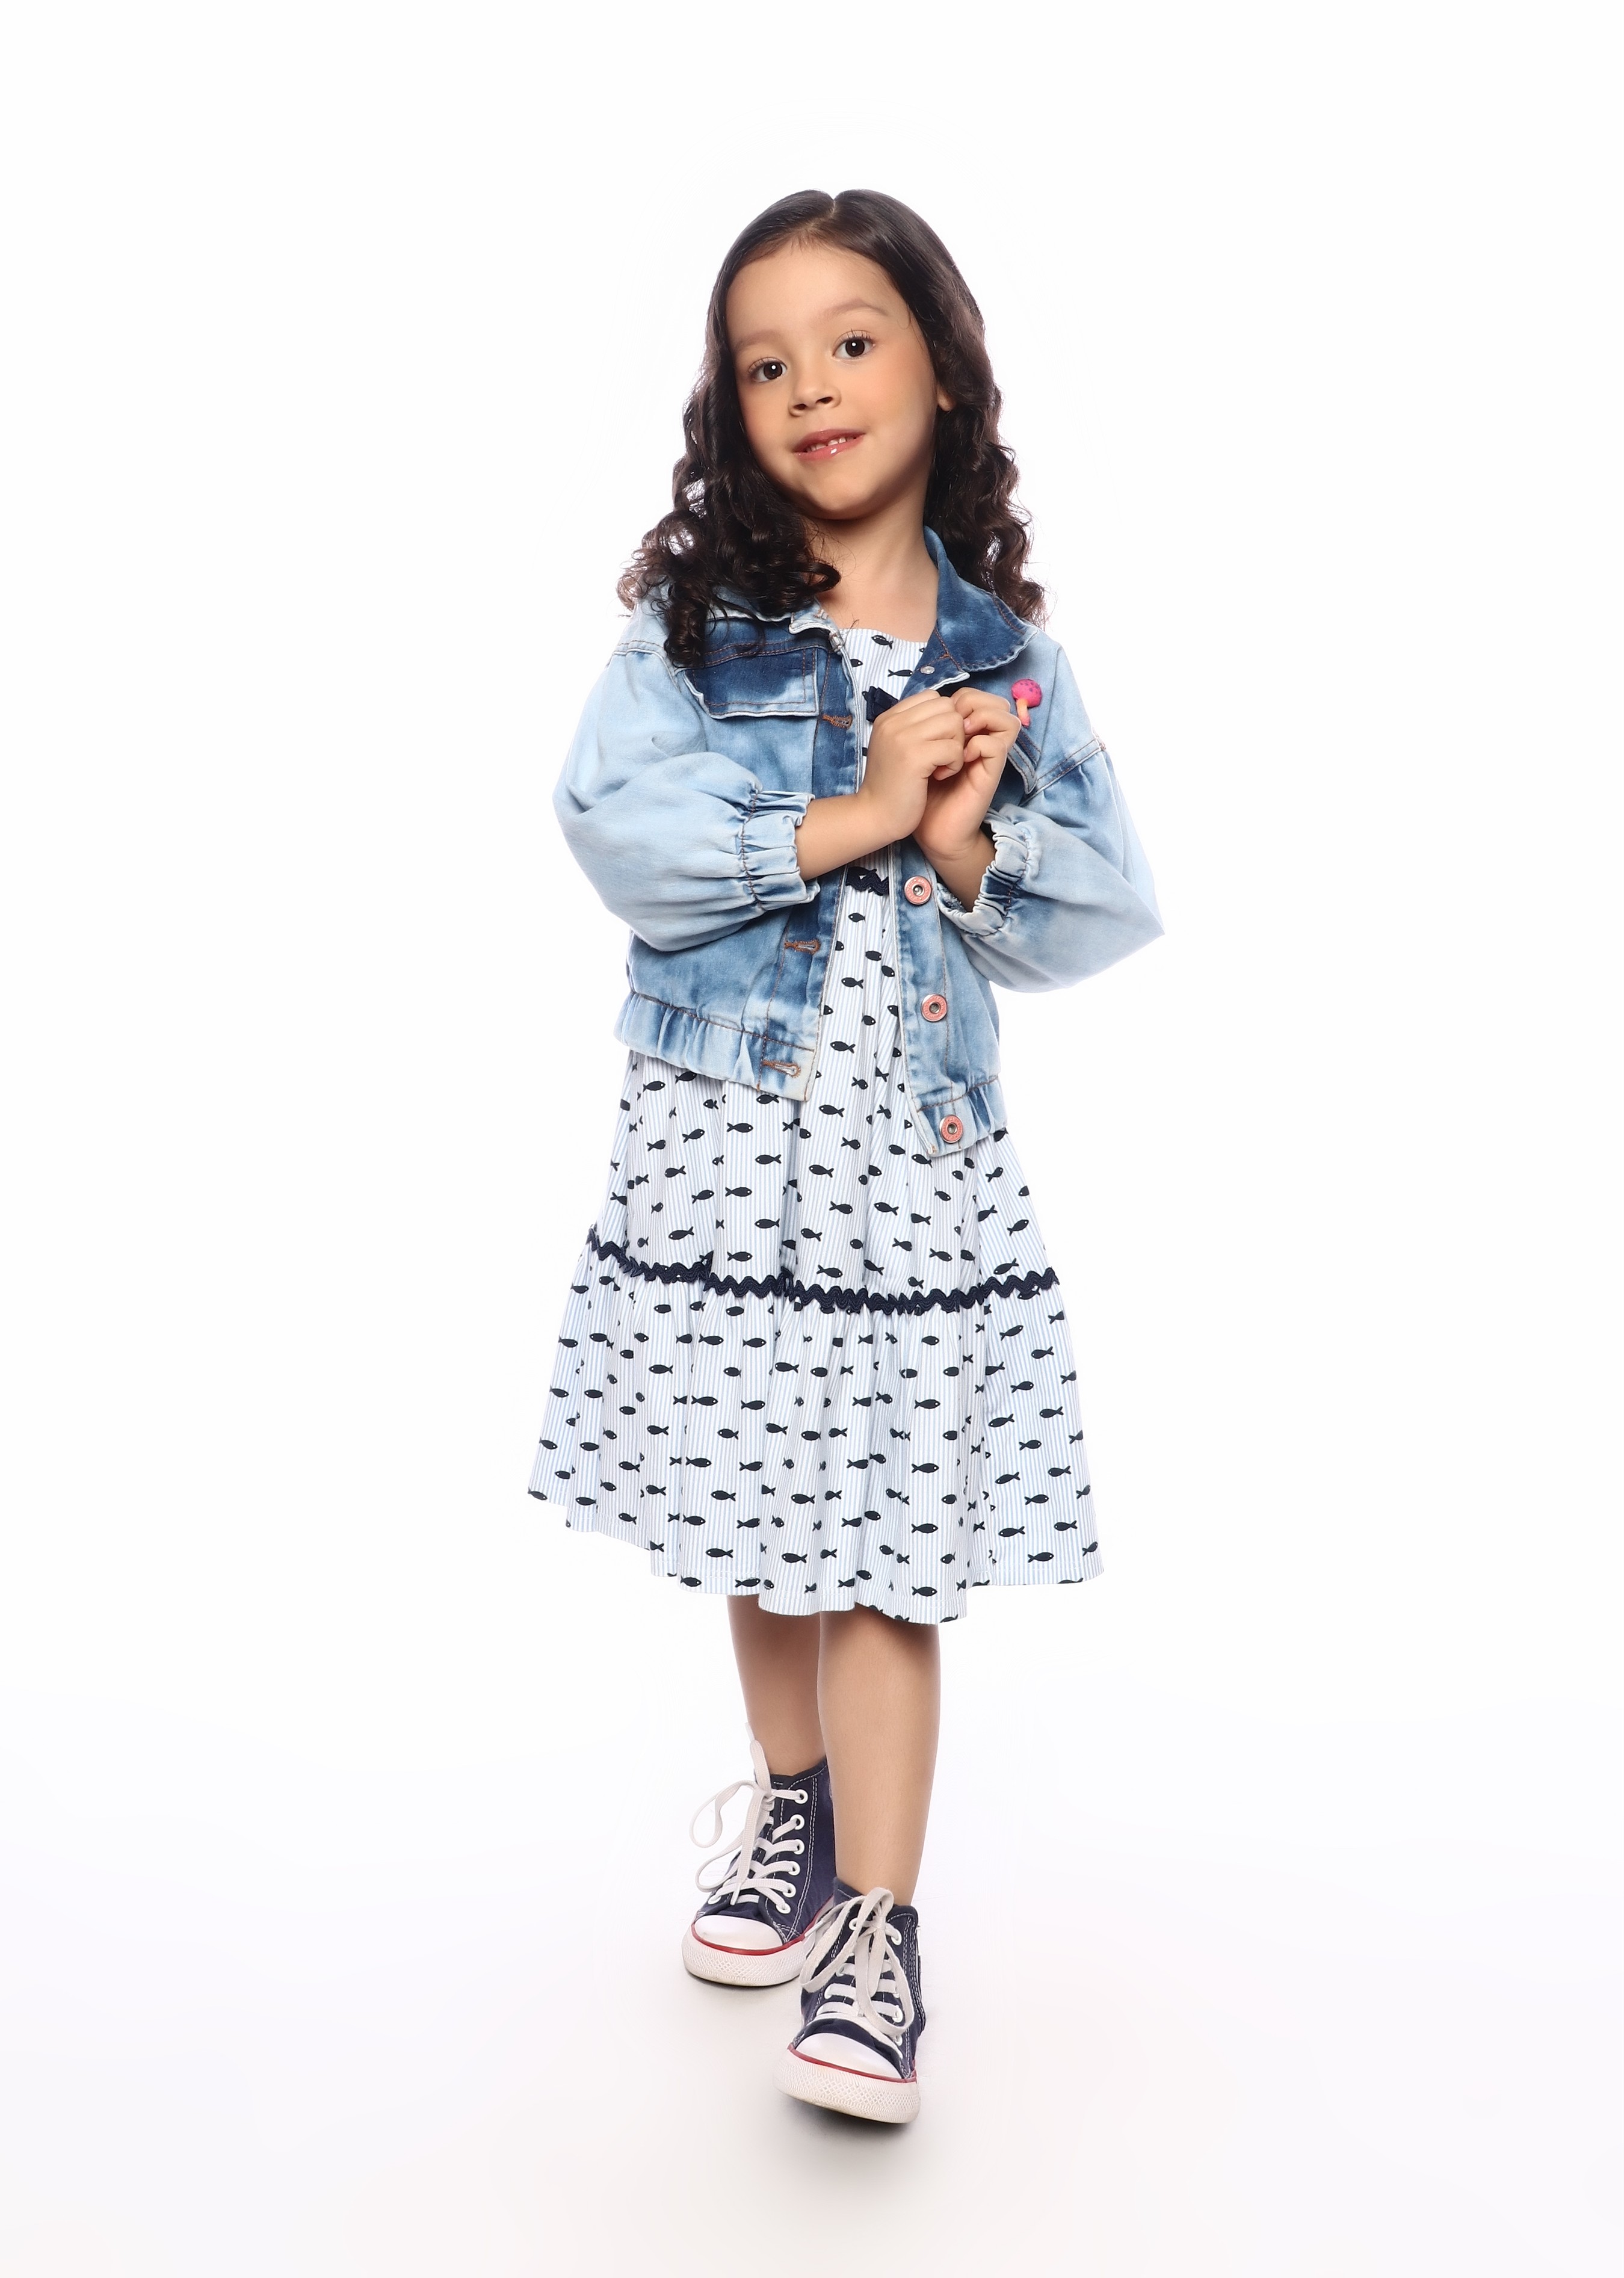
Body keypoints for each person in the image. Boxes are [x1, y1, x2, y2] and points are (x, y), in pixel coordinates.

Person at [529, 188, 1161, 2124]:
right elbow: (614, 832)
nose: (809, 383)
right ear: (731, 409)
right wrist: (853, 815)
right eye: (764, 361)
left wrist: (964, 841)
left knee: (888, 1545)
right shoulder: (693, 635)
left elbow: (1104, 907)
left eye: (852, 339)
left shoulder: (1009, 662)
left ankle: (879, 1928)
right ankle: (791, 1808)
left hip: (911, 1160)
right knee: (756, 1507)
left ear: (944, 371)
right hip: (724, 1148)